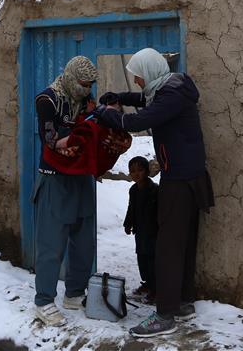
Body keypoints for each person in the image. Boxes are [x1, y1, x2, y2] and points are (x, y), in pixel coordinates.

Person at [94, 48, 214, 338]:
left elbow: (138, 121)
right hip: (190, 175)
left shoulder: (170, 97)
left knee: (167, 248)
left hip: (179, 180)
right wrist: (119, 98)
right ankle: (182, 301)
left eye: (138, 77)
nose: (137, 82)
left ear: (149, 72)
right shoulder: (172, 86)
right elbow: (143, 99)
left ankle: (164, 314)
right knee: (182, 243)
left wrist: (106, 114)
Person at [32, 55, 99, 327]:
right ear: (71, 79)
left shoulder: (85, 99)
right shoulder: (47, 100)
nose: (86, 89)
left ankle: (74, 292)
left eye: (89, 84)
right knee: (51, 242)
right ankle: (44, 301)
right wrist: (79, 135)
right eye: (82, 84)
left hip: (80, 177)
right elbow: (50, 140)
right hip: (55, 178)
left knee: (84, 240)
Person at [124, 156, 159, 304]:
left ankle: (156, 288)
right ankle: (148, 284)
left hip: (153, 231)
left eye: (140, 170)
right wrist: (128, 223)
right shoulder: (133, 190)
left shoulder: (154, 190)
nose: (136, 174)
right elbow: (131, 208)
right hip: (140, 230)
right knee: (142, 257)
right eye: (132, 171)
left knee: (152, 259)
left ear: (147, 171)